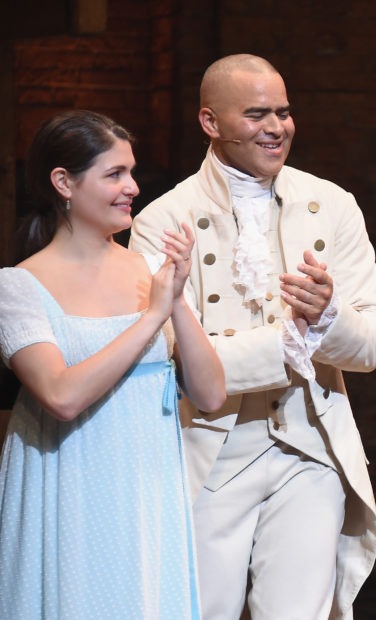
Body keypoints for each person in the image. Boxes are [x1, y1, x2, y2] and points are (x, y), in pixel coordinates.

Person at [129, 54, 376, 619]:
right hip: (211, 450)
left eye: (284, 111)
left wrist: (328, 318)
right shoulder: (162, 220)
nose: (277, 127)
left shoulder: (333, 206)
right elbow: (175, 361)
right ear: (210, 122)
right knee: (202, 610)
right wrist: (290, 342)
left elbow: (371, 344)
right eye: (256, 114)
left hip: (310, 444)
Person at [0, 110, 226, 619]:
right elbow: (60, 396)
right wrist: (151, 317)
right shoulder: (17, 287)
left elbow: (211, 396)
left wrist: (177, 296)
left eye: (132, 172)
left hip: (145, 484)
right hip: (69, 482)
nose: (132, 187)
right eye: (114, 174)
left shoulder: (149, 270)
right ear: (64, 182)